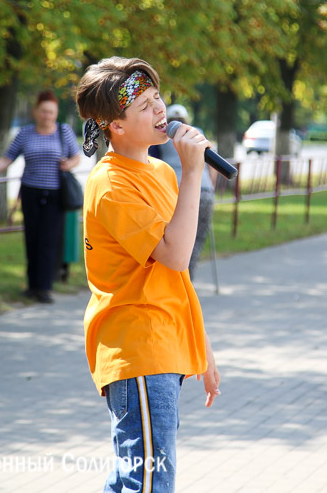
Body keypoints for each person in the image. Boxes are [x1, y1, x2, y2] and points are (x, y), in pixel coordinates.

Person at [75, 57, 220, 492]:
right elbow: (176, 255)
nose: (161, 111)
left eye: (158, 99)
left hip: (165, 342)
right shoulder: (111, 183)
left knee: (134, 478)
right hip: (138, 346)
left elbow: (178, 277)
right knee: (148, 480)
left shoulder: (159, 171)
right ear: (114, 125)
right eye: (143, 105)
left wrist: (203, 350)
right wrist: (194, 170)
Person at [0, 90, 80, 304]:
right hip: (31, 191)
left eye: (51, 112)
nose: (47, 116)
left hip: (55, 193)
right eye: (43, 111)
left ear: (56, 113)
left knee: (49, 240)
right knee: (32, 238)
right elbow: (7, 159)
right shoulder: (25, 134)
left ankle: (45, 287)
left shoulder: (63, 131)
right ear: (35, 112)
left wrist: (70, 163)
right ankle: (32, 285)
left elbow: (76, 156)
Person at [148, 104, 215, 278]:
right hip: (205, 189)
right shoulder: (197, 132)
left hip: (177, 188)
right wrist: (210, 185)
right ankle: (188, 281)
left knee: (181, 243)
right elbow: (211, 167)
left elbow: (153, 159)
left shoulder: (163, 137)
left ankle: (185, 283)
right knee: (195, 242)